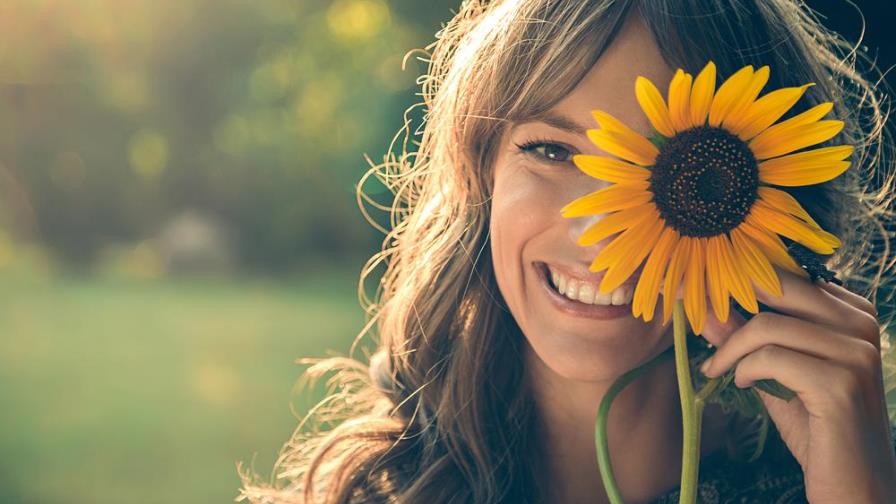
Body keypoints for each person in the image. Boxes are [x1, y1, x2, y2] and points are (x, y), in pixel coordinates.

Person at [239, 1, 896, 502]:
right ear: (480, 176)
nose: (599, 234)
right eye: (552, 151)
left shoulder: (837, 480)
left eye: (669, 168)